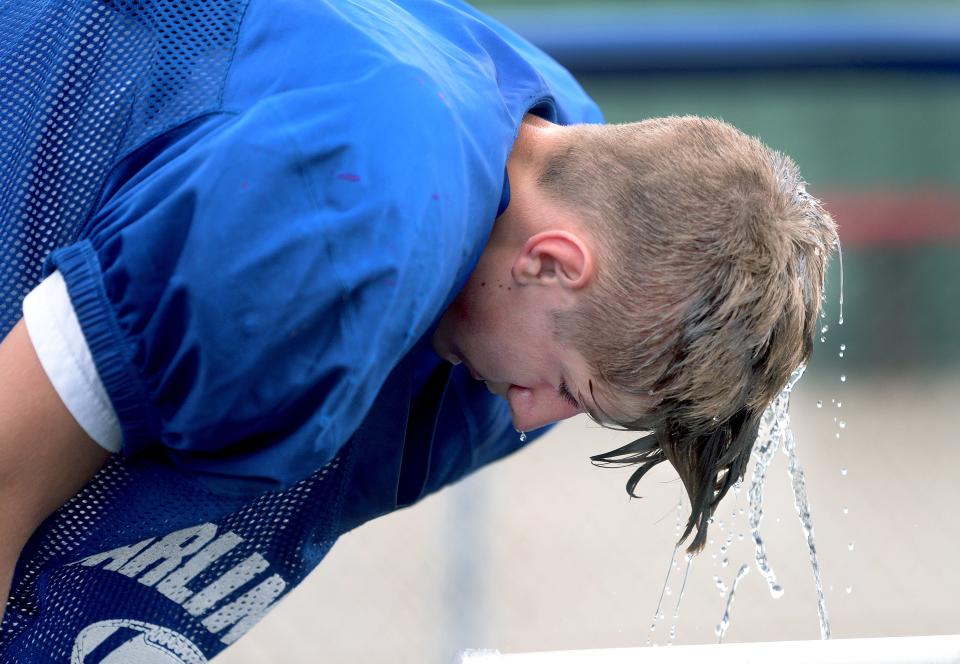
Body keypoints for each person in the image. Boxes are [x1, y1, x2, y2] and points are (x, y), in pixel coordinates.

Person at [0, 0, 836, 661]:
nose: (531, 416)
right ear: (550, 261)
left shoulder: (554, 184)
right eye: (571, 387)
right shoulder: (347, 218)